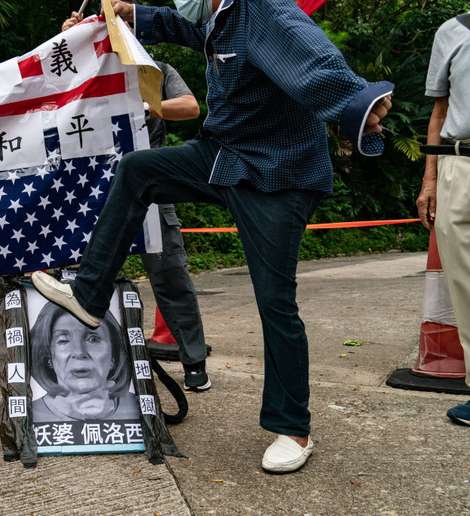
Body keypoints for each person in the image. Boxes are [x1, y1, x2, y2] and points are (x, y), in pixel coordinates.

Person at [32, 0, 393, 473]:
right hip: (226, 155)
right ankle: (89, 295)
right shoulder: (217, 15)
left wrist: (357, 101)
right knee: (140, 170)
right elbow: (175, 24)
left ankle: (293, 428)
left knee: (274, 300)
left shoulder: (262, 9)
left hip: (278, 174)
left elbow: (312, 55)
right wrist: (124, 15)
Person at [62, 7, 211, 392]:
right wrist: (65, 43)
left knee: (170, 272)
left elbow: (192, 107)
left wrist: (148, 105)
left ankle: (193, 360)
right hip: (91, 187)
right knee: (76, 273)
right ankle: (72, 361)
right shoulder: (85, 73)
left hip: (151, 187)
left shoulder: (154, 70)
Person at [416, 11, 470, 427]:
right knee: (464, 283)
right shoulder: (451, 32)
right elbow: (440, 111)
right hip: (459, 165)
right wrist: (429, 179)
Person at [31, 302, 139, 422]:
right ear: (48, 357)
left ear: (114, 355)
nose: (79, 352)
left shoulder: (138, 409)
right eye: (63, 341)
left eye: (93, 339)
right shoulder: (29, 417)